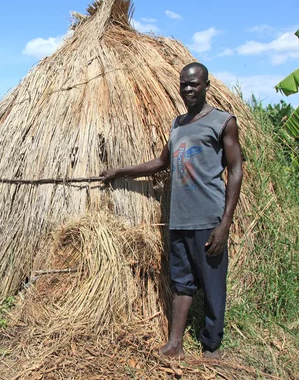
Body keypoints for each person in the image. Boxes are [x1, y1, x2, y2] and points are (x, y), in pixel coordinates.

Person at [101, 62, 243, 360]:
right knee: (182, 283)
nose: (188, 89)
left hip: (209, 218)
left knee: (213, 285)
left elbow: (236, 169)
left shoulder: (222, 121)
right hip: (179, 219)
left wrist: (225, 223)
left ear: (206, 86)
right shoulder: (178, 124)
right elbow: (160, 163)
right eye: (184, 84)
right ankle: (174, 344)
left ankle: (211, 346)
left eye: (194, 84)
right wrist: (120, 171)